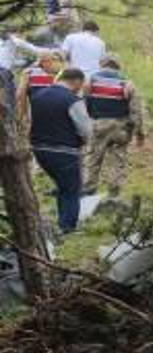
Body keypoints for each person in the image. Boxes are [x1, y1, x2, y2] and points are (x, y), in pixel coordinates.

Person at [30, 67, 92, 233]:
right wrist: (84, 142)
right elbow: (86, 129)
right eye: (81, 84)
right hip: (64, 150)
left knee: (62, 186)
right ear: (77, 81)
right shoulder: (72, 100)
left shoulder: (38, 96)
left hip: (39, 150)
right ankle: (67, 228)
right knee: (71, 189)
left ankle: (62, 221)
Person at [83, 55, 144, 195]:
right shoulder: (126, 84)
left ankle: (89, 189)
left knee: (93, 158)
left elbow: (83, 103)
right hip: (121, 128)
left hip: (98, 125)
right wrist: (139, 132)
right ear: (118, 66)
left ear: (102, 65)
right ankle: (115, 191)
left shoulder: (91, 81)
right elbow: (136, 110)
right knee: (118, 159)